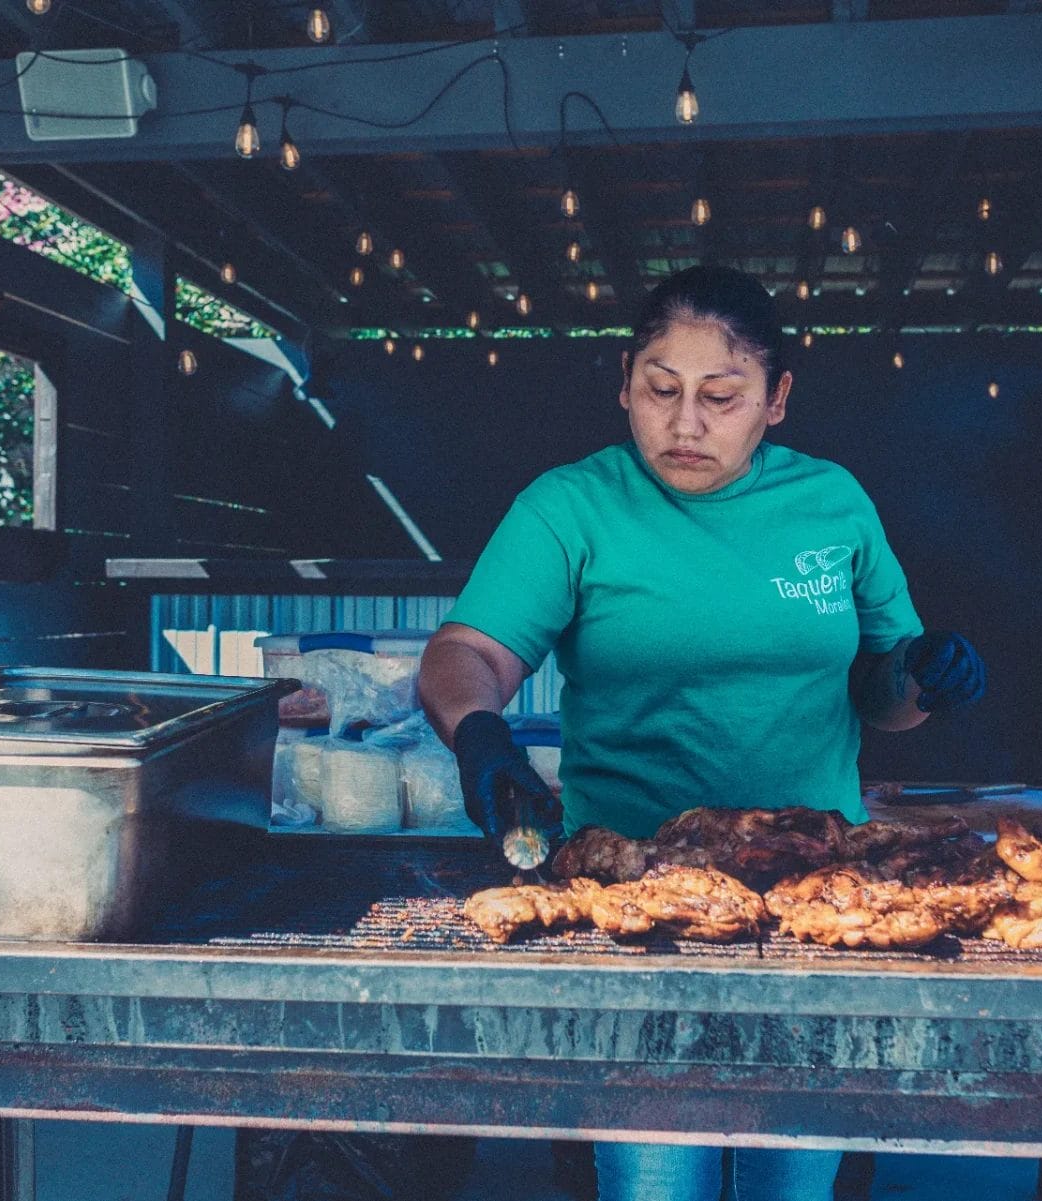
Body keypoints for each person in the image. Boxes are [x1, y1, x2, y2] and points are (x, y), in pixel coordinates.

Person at [418, 264, 986, 1201]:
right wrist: (480, 732)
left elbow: (883, 694)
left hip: (818, 900)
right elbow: (466, 651)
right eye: (660, 390)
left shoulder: (833, 504)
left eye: (721, 397)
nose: (685, 424)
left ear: (777, 401)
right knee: (653, 1181)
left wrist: (923, 677)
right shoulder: (572, 507)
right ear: (625, 383)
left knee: (791, 1183)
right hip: (639, 897)